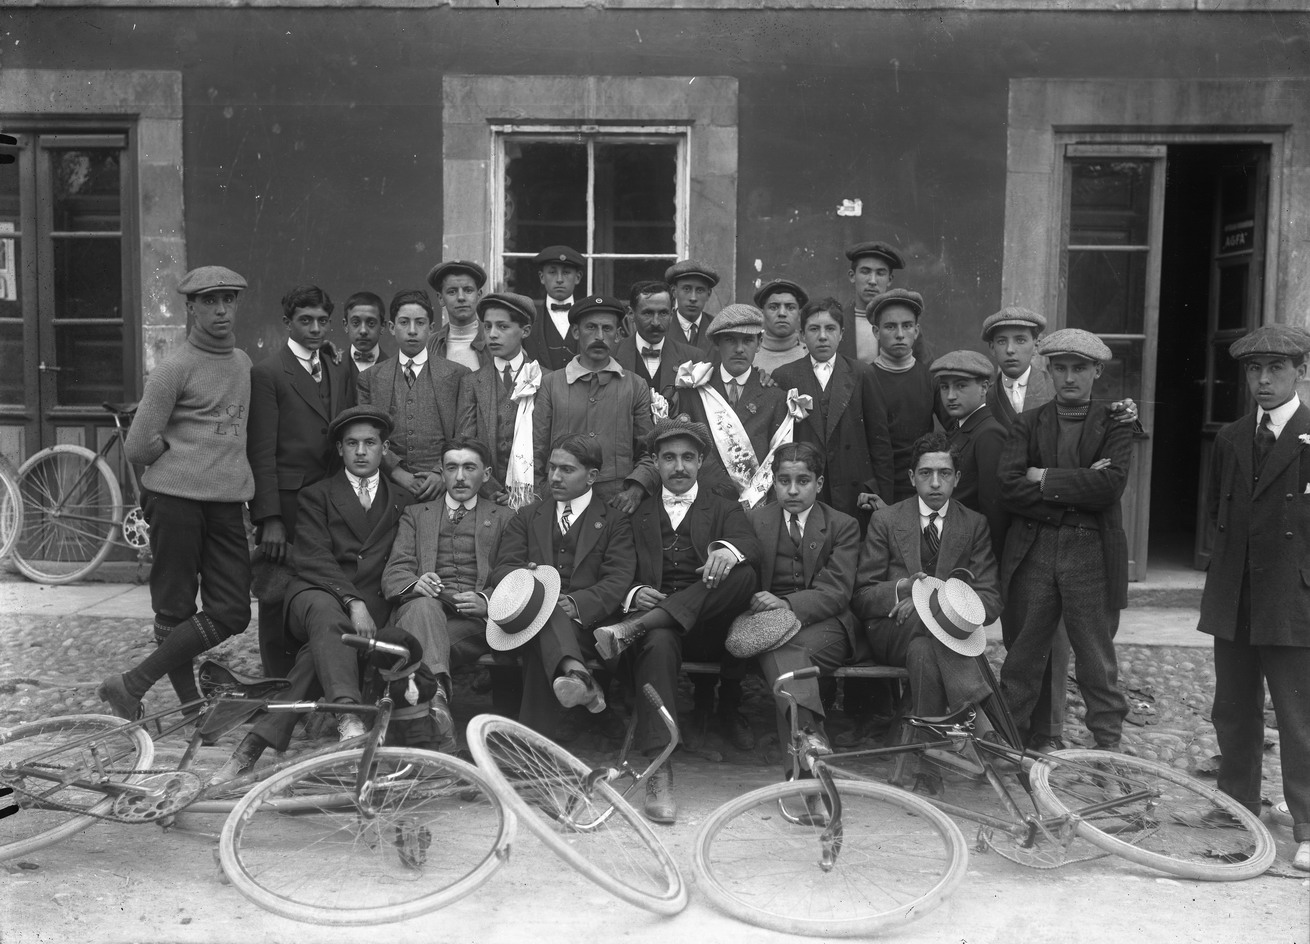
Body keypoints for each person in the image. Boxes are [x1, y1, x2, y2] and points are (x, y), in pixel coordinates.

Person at [210, 406, 413, 782]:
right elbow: (314, 558)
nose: (361, 451)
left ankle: (249, 750)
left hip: (368, 604)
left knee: (320, 648)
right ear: (339, 449)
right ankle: (348, 716)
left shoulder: (402, 499)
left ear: (384, 449)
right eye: (351, 443)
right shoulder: (316, 494)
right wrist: (354, 603)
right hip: (315, 590)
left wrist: (364, 606)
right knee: (326, 613)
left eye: (370, 443)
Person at [98, 266, 255, 721]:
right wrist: (179, 452)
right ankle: (191, 706)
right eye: (209, 301)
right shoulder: (174, 368)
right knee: (174, 606)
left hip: (226, 501)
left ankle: (131, 684)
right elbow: (138, 444)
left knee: (232, 610)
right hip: (174, 500)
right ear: (191, 307)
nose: (221, 309)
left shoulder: (243, 363)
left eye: (228, 299)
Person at [592, 419, 760, 824]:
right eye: (669, 458)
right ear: (656, 462)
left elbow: (752, 546)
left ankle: (642, 623)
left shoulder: (722, 506)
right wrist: (634, 594)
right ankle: (658, 768)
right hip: (662, 631)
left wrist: (727, 550)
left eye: (687, 457)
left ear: (701, 461)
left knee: (744, 574)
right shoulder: (637, 512)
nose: (679, 467)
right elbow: (614, 569)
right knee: (660, 640)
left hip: (708, 629)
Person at [1197, 323, 1310, 873]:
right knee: (1233, 709)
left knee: (1298, 714)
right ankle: (1237, 805)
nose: (1263, 381)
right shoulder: (1232, 436)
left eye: (1276, 370)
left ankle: (1307, 825)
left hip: (1293, 594)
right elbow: (1220, 514)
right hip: (1235, 591)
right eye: (1254, 370)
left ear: (1301, 372)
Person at [998, 328, 1132, 752]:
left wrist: (1045, 477)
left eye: (1079, 368)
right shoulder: (1027, 423)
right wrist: (1075, 489)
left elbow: (1109, 486)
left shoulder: (1115, 421)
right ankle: (1009, 745)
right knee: (1023, 654)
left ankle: (1109, 750)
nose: (1069, 377)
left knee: (1095, 655)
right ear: (1048, 370)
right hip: (1035, 547)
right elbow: (1009, 487)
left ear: (1097, 371)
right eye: (1060, 368)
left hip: (1090, 550)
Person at [850, 432, 1003, 792]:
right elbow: (861, 596)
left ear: (958, 478)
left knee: (925, 647)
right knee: (923, 631)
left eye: (945, 473)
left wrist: (936, 606)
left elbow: (990, 598)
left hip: (933, 639)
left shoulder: (973, 524)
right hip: (892, 631)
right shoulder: (887, 520)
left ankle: (927, 767)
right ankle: (983, 723)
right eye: (925, 473)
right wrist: (903, 589)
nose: (935, 483)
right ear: (911, 477)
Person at [484, 434, 637, 740]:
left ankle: (532, 748)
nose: (554, 476)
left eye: (567, 470)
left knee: (542, 633)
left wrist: (578, 603)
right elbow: (503, 567)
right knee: (544, 618)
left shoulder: (614, 522)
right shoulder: (527, 518)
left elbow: (618, 578)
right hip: (529, 619)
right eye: (552, 468)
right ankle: (577, 677)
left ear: (591, 476)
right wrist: (526, 584)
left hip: (588, 625)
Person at [247, 284, 354, 677]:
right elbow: (261, 450)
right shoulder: (269, 373)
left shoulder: (338, 369)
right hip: (289, 501)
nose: (315, 329)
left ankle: (316, 674)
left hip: (331, 495)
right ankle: (276, 677)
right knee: (278, 586)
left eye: (322, 321)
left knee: (326, 581)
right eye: (305, 320)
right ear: (287, 322)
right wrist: (269, 518)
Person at [382, 437, 514, 732]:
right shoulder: (416, 514)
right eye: (451, 467)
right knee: (425, 607)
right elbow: (395, 571)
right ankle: (437, 697)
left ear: (487, 474)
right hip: (423, 610)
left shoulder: (504, 517)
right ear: (441, 472)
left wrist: (487, 600)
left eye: (469, 467)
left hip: (474, 621)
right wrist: (416, 583)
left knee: (415, 647)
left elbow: (514, 573)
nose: (460, 476)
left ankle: (427, 708)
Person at [744, 442, 860, 770]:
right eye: (783, 481)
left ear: (819, 484)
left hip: (826, 626)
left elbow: (837, 591)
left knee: (780, 650)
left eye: (803, 481)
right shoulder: (755, 520)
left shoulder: (842, 525)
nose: (792, 490)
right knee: (780, 649)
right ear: (773, 481)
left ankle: (803, 748)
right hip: (769, 626)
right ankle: (810, 743)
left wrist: (784, 604)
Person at [773, 297, 895, 526]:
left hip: (854, 492)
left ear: (841, 334)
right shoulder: (784, 376)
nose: (822, 336)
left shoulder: (862, 374)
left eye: (830, 329)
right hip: (806, 489)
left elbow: (880, 443)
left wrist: (882, 498)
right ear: (801, 336)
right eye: (814, 329)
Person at [652, 303, 789, 505]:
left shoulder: (775, 397)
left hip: (755, 507)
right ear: (717, 343)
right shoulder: (692, 390)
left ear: (759, 343)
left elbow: (778, 460)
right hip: (703, 502)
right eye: (730, 340)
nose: (740, 349)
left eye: (748, 340)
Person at [531, 295, 653, 512]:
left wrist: (635, 490)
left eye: (607, 329)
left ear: (617, 334)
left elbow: (648, 451)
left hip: (617, 504)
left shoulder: (635, 386)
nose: (599, 336)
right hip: (561, 501)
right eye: (591, 327)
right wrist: (545, 494)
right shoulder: (551, 384)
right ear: (576, 332)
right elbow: (537, 450)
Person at [357, 289, 469, 502]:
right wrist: (397, 473)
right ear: (391, 327)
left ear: (431, 328)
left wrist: (441, 472)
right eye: (404, 323)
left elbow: (464, 431)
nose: (412, 330)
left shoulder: (457, 375)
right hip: (388, 486)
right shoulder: (370, 378)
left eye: (420, 323)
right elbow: (366, 432)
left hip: (444, 487)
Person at [456, 291, 542, 505]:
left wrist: (531, 490)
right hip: (486, 497)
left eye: (503, 327)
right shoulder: (472, 382)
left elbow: (547, 445)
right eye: (487, 326)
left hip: (533, 497)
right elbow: (466, 443)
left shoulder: (544, 379)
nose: (492, 334)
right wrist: (489, 488)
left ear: (525, 330)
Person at [868, 289, 945, 503]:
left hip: (924, 488)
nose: (900, 334)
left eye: (907, 326)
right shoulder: (863, 378)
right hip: (878, 491)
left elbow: (955, 427)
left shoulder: (931, 378)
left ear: (917, 331)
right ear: (876, 331)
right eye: (890, 326)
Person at [931, 349, 1007, 562]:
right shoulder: (960, 429)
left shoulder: (989, 434)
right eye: (945, 387)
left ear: (984, 388)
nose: (951, 396)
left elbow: (994, 510)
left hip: (976, 554)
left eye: (961, 386)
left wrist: (987, 562)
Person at [614, 280, 700, 404]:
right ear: (631, 314)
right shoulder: (611, 357)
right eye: (648, 313)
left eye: (663, 313)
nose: (656, 322)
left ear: (671, 314)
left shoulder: (693, 359)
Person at [523, 245, 584, 372]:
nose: (559, 279)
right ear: (541, 277)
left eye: (566, 272)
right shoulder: (527, 321)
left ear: (577, 277)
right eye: (552, 272)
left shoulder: (589, 320)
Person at [426, 259, 488, 372]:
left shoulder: (496, 341)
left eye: (468, 290)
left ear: (478, 295)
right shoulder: (430, 345)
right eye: (452, 292)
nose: (461, 297)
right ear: (440, 298)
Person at [752, 278, 809, 373]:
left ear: (799, 315)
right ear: (762, 314)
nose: (782, 313)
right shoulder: (749, 356)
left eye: (790, 308)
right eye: (773, 307)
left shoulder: (810, 355)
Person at [665, 259, 719, 353]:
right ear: (674, 291)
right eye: (686, 289)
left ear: (708, 294)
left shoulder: (717, 329)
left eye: (700, 290)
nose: (693, 298)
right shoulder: (662, 328)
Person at [342, 290, 388, 383]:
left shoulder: (395, 369)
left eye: (371, 323)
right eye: (355, 323)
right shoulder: (333, 368)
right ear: (346, 325)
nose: (363, 331)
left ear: (382, 326)